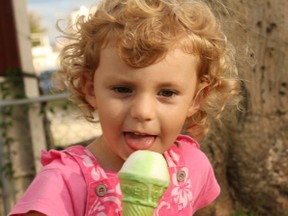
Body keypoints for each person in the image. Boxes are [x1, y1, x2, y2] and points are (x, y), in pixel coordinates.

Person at [9, 0, 241, 215]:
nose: (143, 111)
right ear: (91, 89)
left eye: (167, 93)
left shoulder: (191, 165)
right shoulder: (64, 182)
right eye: (122, 89)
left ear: (195, 99)